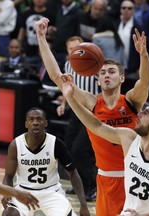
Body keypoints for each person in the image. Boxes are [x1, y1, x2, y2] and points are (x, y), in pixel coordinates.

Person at [36, 17, 149, 215]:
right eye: (103, 72)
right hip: (105, 177)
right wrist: (41, 38)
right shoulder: (92, 103)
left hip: (134, 177)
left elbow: (145, 81)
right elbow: (57, 78)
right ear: (98, 80)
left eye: (112, 72)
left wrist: (144, 55)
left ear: (122, 78)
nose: (107, 75)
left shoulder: (131, 101)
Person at [61, 78, 149, 215]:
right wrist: (70, 98)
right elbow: (96, 125)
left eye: (146, 113)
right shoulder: (129, 139)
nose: (140, 114)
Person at [1, 107, 90, 216]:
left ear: (46, 123)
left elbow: (73, 173)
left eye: (39, 119)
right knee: (9, 214)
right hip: (23, 192)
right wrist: (7, 194)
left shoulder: (56, 143)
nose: (35, 123)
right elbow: (8, 176)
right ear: (26, 124)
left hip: (51, 192)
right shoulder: (16, 145)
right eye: (31, 120)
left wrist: (83, 205)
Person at [56, 36, 99, 201]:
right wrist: (63, 104)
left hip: (91, 112)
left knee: (79, 149)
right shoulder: (68, 65)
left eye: (77, 48)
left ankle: (93, 186)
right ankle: (81, 186)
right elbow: (67, 86)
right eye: (70, 49)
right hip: (75, 110)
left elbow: (106, 87)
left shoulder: (93, 63)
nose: (74, 52)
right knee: (67, 147)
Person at [116, 0, 142, 75]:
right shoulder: (115, 24)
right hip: (117, 66)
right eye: (123, 8)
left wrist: (139, 67)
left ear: (133, 11)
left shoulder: (138, 27)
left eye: (129, 8)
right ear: (120, 9)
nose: (126, 10)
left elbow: (142, 49)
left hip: (132, 68)